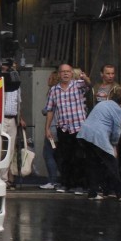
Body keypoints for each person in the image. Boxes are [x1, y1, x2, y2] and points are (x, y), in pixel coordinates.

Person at [43, 61, 92, 195]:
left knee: (79, 158)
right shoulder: (54, 90)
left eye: (68, 71)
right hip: (63, 127)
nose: (65, 74)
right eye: (63, 71)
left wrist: (86, 78)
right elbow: (50, 110)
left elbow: (89, 85)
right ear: (59, 74)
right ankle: (66, 184)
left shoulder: (78, 85)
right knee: (65, 157)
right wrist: (47, 128)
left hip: (79, 127)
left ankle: (80, 185)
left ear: (72, 74)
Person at [78, 90, 121, 201]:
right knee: (112, 164)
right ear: (120, 102)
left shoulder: (102, 104)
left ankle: (93, 193)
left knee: (93, 164)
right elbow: (116, 131)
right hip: (99, 137)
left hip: (85, 135)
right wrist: (114, 145)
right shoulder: (118, 110)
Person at [1, 58, 25, 186]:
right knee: (0, 149)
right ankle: (1, 178)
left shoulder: (16, 84)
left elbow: (18, 102)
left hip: (12, 118)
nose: (6, 68)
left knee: (10, 151)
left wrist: (20, 118)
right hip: (1, 119)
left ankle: (4, 178)